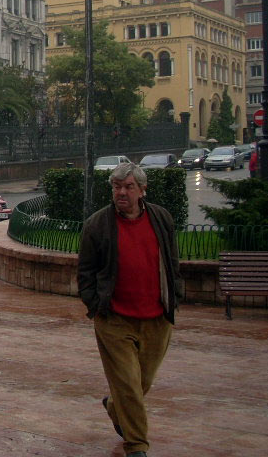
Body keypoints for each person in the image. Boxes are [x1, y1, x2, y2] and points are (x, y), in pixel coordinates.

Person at [77, 162, 181, 457]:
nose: (121, 193)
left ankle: (114, 405)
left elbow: (173, 264)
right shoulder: (97, 225)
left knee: (140, 383)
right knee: (129, 386)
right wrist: (95, 305)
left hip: (157, 320)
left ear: (142, 190)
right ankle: (137, 446)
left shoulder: (161, 219)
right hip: (115, 320)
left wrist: (176, 296)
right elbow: (85, 271)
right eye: (116, 187)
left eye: (128, 187)